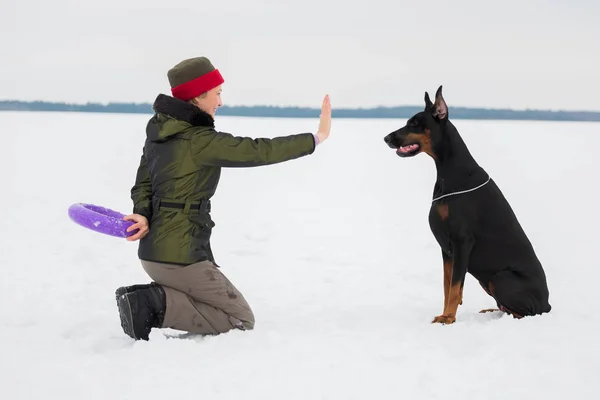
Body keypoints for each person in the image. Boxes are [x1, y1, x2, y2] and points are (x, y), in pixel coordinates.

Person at [114, 56, 332, 340]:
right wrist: (316, 138)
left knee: (219, 308)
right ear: (197, 96)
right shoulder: (198, 140)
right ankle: (149, 303)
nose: (220, 101)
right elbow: (256, 150)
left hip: (156, 252)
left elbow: (143, 182)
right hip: (178, 257)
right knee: (240, 319)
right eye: (216, 93)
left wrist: (142, 212)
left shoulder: (161, 133)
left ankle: (152, 299)